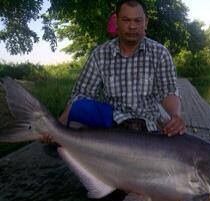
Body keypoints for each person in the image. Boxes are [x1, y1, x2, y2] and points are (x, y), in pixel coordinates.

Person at [58, 0, 186, 137]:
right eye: (126, 20)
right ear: (117, 21)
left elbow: (168, 90)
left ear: (146, 22)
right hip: (112, 123)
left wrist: (175, 116)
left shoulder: (160, 53)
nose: (132, 26)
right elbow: (82, 94)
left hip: (150, 126)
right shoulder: (100, 54)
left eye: (138, 21)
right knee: (81, 108)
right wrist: (59, 125)